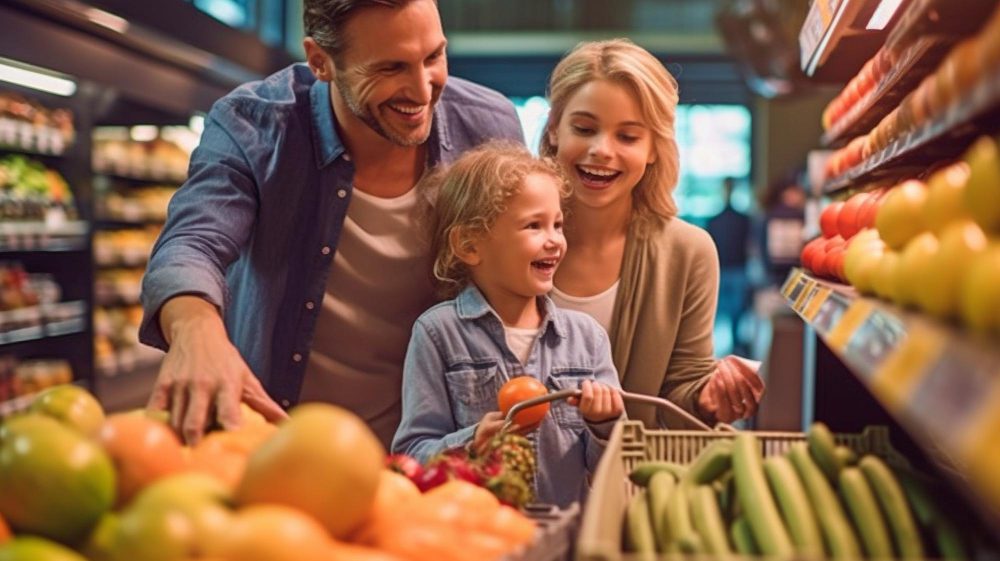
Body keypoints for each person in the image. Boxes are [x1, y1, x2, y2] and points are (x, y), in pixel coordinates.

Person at [138, 0, 524, 446]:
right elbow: (192, 242)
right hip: (281, 447)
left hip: (438, 452)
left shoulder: (487, 126)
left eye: (434, 56)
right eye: (391, 67)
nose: (423, 90)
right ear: (320, 61)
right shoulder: (255, 125)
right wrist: (195, 328)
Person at [541, 39, 764, 428]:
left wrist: (708, 399)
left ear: (654, 149)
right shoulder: (502, 235)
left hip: (631, 466)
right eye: (584, 128)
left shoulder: (688, 252)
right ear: (554, 130)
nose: (602, 149)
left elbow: (681, 391)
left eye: (627, 136)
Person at [391, 143, 624, 507]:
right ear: (469, 246)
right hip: (477, 531)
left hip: (567, 533)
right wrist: (471, 443)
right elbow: (411, 454)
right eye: (534, 226)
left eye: (557, 224)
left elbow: (613, 467)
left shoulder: (587, 337)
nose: (555, 240)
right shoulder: (438, 333)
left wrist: (605, 423)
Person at [706, 177, 752, 356]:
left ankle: (724, 346)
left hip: (725, 270)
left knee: (723, 310)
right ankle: (734, 345)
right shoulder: (743, 220)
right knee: (735, 311)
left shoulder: (714, 220)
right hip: (733, 269)